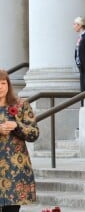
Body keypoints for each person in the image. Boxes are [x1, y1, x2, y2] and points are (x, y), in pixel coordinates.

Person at [0, 69, 39, 212]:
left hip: (15, 167)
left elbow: (34, 133)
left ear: (8, 85)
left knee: (12, 209)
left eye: (3, 83)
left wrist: (17, 126)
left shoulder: (21, 105)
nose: (0, 87)